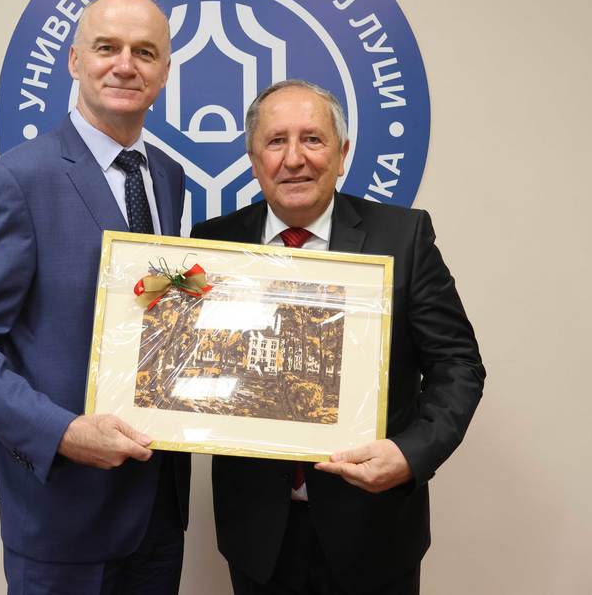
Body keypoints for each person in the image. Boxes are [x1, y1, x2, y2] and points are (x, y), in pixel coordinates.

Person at [0, 0, 190, 595]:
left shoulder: (168, 177)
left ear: (164, 72)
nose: (125, 65)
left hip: (157, 510)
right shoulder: (17, 180)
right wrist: (64, 434)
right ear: (75, 60)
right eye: (107, 48)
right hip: (62, 513)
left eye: (144, 52)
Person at [190, 80, 485, 595]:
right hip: (257, 535)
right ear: (254, 159)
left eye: (313, 139)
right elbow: (194, 365)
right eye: (276, 141)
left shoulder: (404, 237)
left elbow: (457, 364)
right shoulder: (214, 243)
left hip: (375, 531)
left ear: (342, 154)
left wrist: (410, 454)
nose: (294, 158)